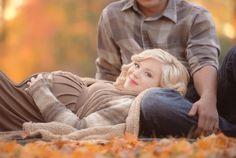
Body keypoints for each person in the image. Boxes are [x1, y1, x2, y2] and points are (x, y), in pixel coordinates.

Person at [95, 0, 236, 137]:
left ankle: (215, 124)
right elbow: (107, 73)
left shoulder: (196, 15)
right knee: (151, 100)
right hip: (154, 106)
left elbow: (203, 61)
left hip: (200, 95)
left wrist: (207, 98)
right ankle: (228, 132)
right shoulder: (111, 16)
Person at [0, 49, 189, 131]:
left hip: (26, 112)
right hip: (23, 98)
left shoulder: (128, 106)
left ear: (161, 90)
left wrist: (42, 91)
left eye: (148, 74)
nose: (136, 73)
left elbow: (76, 128)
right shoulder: (118, 89)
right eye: (138, 66)